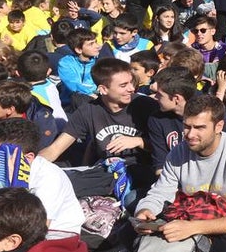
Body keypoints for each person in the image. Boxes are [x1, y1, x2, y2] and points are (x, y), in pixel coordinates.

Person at [39, 57, 159, 194]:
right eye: (123, 85)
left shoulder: (145, 106)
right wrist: (29, 166)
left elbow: (167, 150)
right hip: (106, 171)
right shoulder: (88, 110)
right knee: (58, 179)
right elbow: (55, 149)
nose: (131, 89)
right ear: (103, 89)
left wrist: (138, 141)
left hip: (141, 171)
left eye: (131, 83)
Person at [0, 118, 84, 237]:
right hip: (3, 231)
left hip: (53, 235)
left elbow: (38, 230)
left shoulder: (49, 177)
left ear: (27, 158)